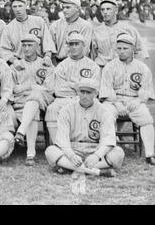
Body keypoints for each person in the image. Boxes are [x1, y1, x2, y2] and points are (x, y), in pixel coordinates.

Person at [45, 78, 125, 177]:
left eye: (89, 92)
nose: (85, 95)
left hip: (94, 148)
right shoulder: (66, 110)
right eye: (82, 92)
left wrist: (97, 155)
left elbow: (108, 139)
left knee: (118, 153)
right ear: (77, 92)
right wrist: (71, 155)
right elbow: (62, 139)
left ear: (95, 93)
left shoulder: (104, 111)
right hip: (73, 147)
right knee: (50, 151)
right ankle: (98, 172)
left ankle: (70, 168)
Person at [99, 34, 155, 165]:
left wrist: (138, 101)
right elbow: (106, 88)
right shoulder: (110, 66)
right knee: (106, 114)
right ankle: (109, 150)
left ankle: (150, 154)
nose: (121, 51)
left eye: (125, 48)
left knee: (146, 117)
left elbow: (146, 89)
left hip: (134, 100)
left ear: (133, 49)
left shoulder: (142, 68)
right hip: (113, 101)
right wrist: (117, 104)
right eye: (119, 48)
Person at [45, 33, 100, 142]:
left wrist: (73, 86)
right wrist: (80, 86)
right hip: (64, 99)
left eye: (77, 44)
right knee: (52, 109)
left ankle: (90, 141)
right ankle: (58, 144)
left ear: (83, 46)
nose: (73, 47)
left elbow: (95, 89)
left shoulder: (93, 66)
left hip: (87, 99)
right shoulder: (62, 66)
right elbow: (59, 90)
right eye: (71, 44)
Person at [12, 34, 55, 165]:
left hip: (43, 100)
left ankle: (22, 130)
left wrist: (28, 87)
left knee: (36, 95)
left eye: (30, 45)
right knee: (33, 106)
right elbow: (13, 88)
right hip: (22, 102)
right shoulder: (16, 65)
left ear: (37, 47)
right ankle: (31, 154)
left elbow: (49, 88)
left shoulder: (45, 64)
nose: (26, 48)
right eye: (24, 45)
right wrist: (34, 88)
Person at [0, 0, 55, 67]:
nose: (17, 9)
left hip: (40, 62)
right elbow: (4, 50)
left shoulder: (39, 21)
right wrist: (14, 60)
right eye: (15, 7)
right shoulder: (8, 28)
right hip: (20, 63)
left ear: (26, 6)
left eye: (20, 6)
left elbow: (48, 42)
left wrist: (47, 56)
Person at [91, 0, 148, 68]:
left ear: (116, 11)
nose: (105, 12)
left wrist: (136, 68)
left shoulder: (129, 29)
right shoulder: (96, 31)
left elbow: (140, 50)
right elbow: (92, 55)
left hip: (124, 69)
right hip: (103, 69)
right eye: (102, 10)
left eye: (108, 9)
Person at [49, 0, 92, 64]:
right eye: (63, 8)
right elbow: (50, 48)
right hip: (58, 63)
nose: (64, 10)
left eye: (68, 7)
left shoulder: (85, 26)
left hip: (78, 63)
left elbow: (84, 51)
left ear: (77, 9)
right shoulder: (55, 25)